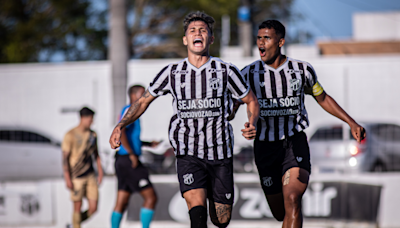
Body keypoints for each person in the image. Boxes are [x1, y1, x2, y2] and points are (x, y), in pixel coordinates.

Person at [109, 11, 259, 228]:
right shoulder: (172, 72)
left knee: (221, 219)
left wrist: (251, 122)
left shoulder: (226, 71)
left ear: (211, 38)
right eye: (192, 30)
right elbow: (143, 101)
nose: (197, 33)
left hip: (220, 154)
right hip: (188, 153)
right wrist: (120, 125)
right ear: (185, 39)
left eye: (203, 30)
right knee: (196, 212)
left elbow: (251, 100)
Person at [240, 20, 366, 228]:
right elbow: (235, 103)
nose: (261, 42)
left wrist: (351, 122)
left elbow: (322, 97)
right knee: (280, 212)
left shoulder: (301, 70)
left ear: (280, 41)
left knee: (292, 200)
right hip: (265, 147)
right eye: (259, 37)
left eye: (267, 38)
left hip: (293, 143)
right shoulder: (248, 74)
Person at [111, 85, 158, 228]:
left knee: (122, 201)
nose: (145, 96)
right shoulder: (129, 111)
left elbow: (131, 138)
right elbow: (122, 132)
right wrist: (132, 154)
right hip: (129, 160)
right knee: (151, 197)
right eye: (142, 93)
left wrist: (148, 144)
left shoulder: (134, 112)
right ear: (134, 95)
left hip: (122, 160)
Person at [62, 107, 103, 228]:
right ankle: (76, 226)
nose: (92, 122)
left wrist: (100, 172)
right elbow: (65, 158)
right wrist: (67, 178)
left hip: (90, 175)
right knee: (77, 206)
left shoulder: (93, 135)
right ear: (83, 118)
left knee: (93, 208)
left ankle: (73, 225)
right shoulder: (70, 134)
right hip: (76, 176)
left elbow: (96, 154)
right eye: (90, 119)